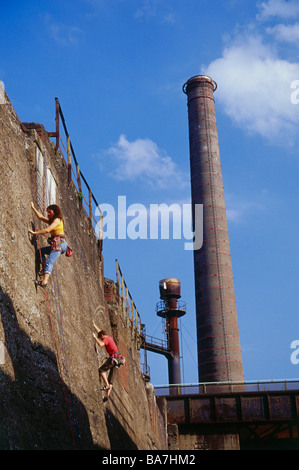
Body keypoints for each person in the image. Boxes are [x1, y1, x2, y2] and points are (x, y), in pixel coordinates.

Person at [28, 202, 68, 288]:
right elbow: (41, 217)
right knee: (40, 251)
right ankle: (43, 262)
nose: (48, 214)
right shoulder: (52, 220)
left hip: (60, 244)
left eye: (50, 212)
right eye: (48, 212)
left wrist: (35, 232)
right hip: (57, 244)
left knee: (50, 261)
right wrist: (33, 207)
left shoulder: (57, 220)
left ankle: (44, 282)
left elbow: (48, 230)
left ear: (55, 212)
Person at [93, 323, 123, 402]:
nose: (101, 339)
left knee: (101, 370)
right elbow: (100, 331)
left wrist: (95, 337)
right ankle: (107, 395)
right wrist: (94, 324)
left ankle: (106, 385)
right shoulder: (108, 337)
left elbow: (100, 344)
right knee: (111, 380)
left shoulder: (105, 339)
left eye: (100, 337)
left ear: (102, 335)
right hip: (118, 359)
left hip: (114, 358)